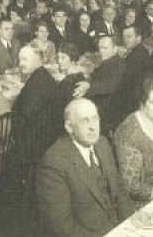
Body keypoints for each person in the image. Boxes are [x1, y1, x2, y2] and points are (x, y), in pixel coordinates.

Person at [34, 99, 134, 237]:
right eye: (85, 121)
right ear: (69, 127)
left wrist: (131, 224)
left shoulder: (102, 143)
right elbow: (62, 227)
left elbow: (119, 191)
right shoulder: (53, 164)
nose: (93, 127)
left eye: (95, 119)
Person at [14, 44, 62, 168]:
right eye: (20, 59)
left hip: (36, 142)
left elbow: (25, 116)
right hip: (46, 135)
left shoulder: (37, 83)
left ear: (38, 60)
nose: (20, 63)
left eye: (25, 59)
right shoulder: (43, 75)